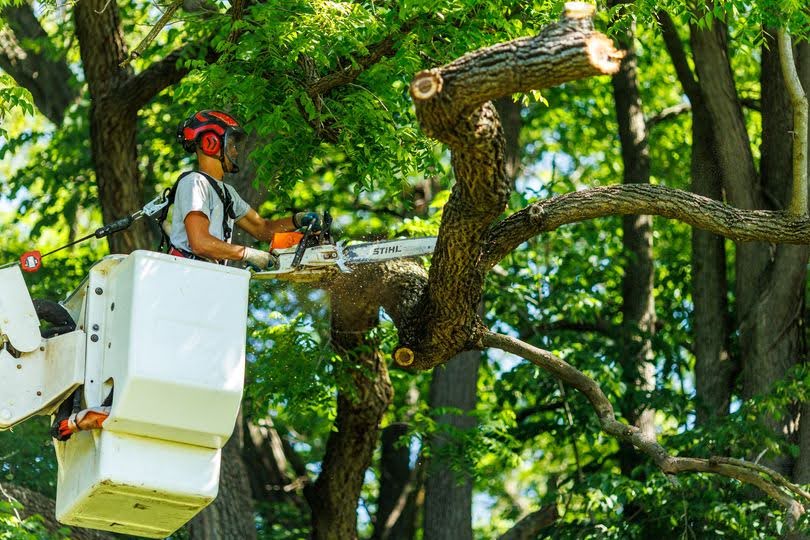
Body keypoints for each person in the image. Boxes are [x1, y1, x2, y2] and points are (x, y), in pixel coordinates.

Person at [169, 109, 319, 268]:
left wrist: (298, 220)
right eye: (231, 145)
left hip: (208, 274)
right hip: (186, 274)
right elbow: (200, 243)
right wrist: (246, 253)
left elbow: (262, 228)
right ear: (210, 143)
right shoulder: (195, 182)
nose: (235, 151)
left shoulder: (227, 193)